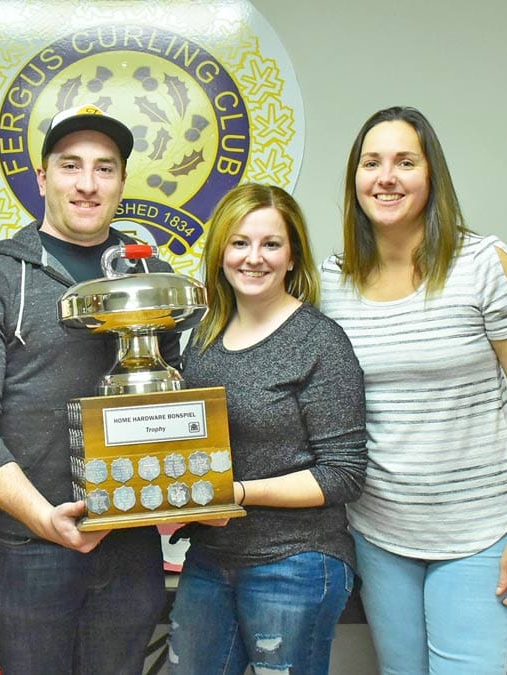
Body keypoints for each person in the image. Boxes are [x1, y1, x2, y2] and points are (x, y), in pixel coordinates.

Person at [0, 104, 181, 674]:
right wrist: (39, 515)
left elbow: (171, 402)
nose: (88, 184)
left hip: (130, 542)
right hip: (29, 548)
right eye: (71, 166)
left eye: (104, 168)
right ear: (43, 179)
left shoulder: (150, 278)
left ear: (122, 182)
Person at [319, 106, 507, 674]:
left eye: (405, 161)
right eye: (371, 163)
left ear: (432, 175)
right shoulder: (333, 278)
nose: (387, 177)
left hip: (479, 534)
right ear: (355, 180)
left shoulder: (486, 265)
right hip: (380, 533)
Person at [166, 183, 368, 675]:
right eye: (239, 243)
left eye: (270, 244)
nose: (253, 258)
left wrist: (235, 492)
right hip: (211, 558)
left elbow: (344, 475)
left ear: (293, 256)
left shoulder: (320, 342)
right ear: (220, 253)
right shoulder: (205, 335)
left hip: (295, 562)